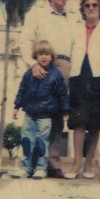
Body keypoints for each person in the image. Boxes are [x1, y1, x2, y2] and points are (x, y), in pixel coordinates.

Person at [19, 0, 73, 178]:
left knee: (57, 115)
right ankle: (31, 164)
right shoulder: (37, 13)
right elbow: (25, 40)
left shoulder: (71, 18)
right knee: (36, 112)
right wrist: (32, 64)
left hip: (65, 65)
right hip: (43, 64)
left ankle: (53, 163)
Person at [64, 0, 100, 179]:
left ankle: (89, 165)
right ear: (83, 9)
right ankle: (76, 165)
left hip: (99, 78)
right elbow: (69, 51)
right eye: (87, 5)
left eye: (95, 5)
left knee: (95, 124)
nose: (91, 8)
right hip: (78, 76)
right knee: (79, 122)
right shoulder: (75, 28)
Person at [11, 40, 69, 179]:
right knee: (27, 141)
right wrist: (16, 106)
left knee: (42, 142)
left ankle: (41, 168)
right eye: (41, 54)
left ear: (52, 56)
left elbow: (62, 94)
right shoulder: (28, 74)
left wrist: (65, 111)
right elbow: (22, 91)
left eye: (47, 54)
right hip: (29, 114)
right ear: (35, 56)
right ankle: (26, 168)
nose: (44, 57)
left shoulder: (56, 74)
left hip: (45, 116)